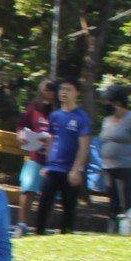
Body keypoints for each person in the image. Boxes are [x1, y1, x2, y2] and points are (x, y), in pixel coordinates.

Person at [32, 80, 91, 234]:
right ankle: (38, 233)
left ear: (76, 93)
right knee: (44, 203)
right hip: (53, 167)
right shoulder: (55, 115)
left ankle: (66, 234)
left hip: (70, 169)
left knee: (69, 207)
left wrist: (76, 170)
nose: (63, 92)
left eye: (68, 89)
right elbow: (52, 139)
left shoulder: (81, 117)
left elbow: (84, 146)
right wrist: (47, 164)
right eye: (61, 89)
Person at [96, 84, 131, 226]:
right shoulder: (107, 120)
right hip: (110, 168)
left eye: (108, 101)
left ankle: (127, 229)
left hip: (128, 167)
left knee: (125, 203)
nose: (105, 104)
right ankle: (113, 229)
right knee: (113, 203)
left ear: (118, 102)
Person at [14, 80, 56, 235]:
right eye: (45, 93)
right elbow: (21, 126)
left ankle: (42, 226)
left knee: (50, 195)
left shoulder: (59, 112)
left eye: (51, 94)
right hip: (35, 156)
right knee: (28, 188)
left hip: (54, 160)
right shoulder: (33, 108)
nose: (48, 97)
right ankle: (22, 224)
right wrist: (22, 135)